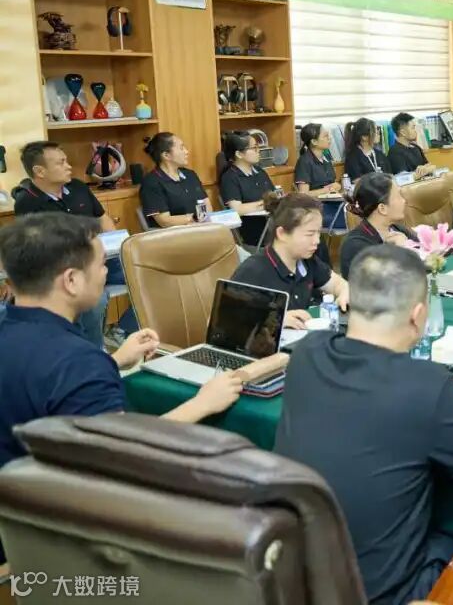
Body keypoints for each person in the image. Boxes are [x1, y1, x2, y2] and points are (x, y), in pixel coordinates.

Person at [0, 214, 272, 562]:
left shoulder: (25, 336)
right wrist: (203, 403)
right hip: (53, 533)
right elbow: (121, 455)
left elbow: (35, 381)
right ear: (71, 280)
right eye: (102, 264)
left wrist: (113, 361)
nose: (105, 273)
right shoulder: (78, 361)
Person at [274, 245, 453, 604]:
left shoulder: (307, 353)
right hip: (383, 594)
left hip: (295, 583)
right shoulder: (428, 385)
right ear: (418, 315)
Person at [13, 141, 131, 346]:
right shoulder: (27, 202)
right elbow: (41, 248)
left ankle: (123, 329)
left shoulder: (77, 187)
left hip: (102, 258)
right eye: (61, 163)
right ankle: (93, 349)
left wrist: (115, 245)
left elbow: (103, 219)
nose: (68, 166)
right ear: (40, 171)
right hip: (66, 268)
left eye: (66, 161)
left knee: (150, 273)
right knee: (95, 299)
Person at [232, 192, 350, 330]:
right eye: (310, 234)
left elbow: (337, 283)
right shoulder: (252, 271)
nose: (317, 241)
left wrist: (344, 292)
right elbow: (227, 321)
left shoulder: (306, 261)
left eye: (318, 233)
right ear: (282, 234)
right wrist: (276, 318)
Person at [340, 172, 416, 280]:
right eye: (399, 196)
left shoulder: (396, 229)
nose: (404, 201)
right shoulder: (355, 245)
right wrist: (400, 251)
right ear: (382, 208)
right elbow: (379, 283)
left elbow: (425, 254)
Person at [140, 132, 209, 228]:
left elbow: (207, 206)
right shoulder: (151, 182)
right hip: (175, 234)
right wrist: (194, 218)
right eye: (181, 148)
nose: (186, 151)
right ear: (166, 155)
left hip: (201, 228)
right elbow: (164, 221)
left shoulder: (190, 175)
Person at [218, 130, 275, 246]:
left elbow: (274, 195)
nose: (258, 151)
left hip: (272, 224)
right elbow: (236, 209)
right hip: (253, 232)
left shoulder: (260, 172)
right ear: (239, 154)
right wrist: (265, 204)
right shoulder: (230, 177)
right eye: (254, 148)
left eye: (258, 147)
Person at [294, 123, 341, 196]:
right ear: (314, 142)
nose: (329, 138)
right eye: (325, 136)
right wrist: (326, 190)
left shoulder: (326, 158)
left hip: (332, 198)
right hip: (316, 202)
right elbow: (303, 194)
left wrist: (337, 186)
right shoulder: (304, 162)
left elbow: (333, 184)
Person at [388, 112, 436, 178]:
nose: (415, 131)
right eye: (413, 128)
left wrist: (427, 169)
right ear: (403, 132)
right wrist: (424, 171)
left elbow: (432, 167)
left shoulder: (416, 147)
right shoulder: (395, 151)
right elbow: (403, 178)